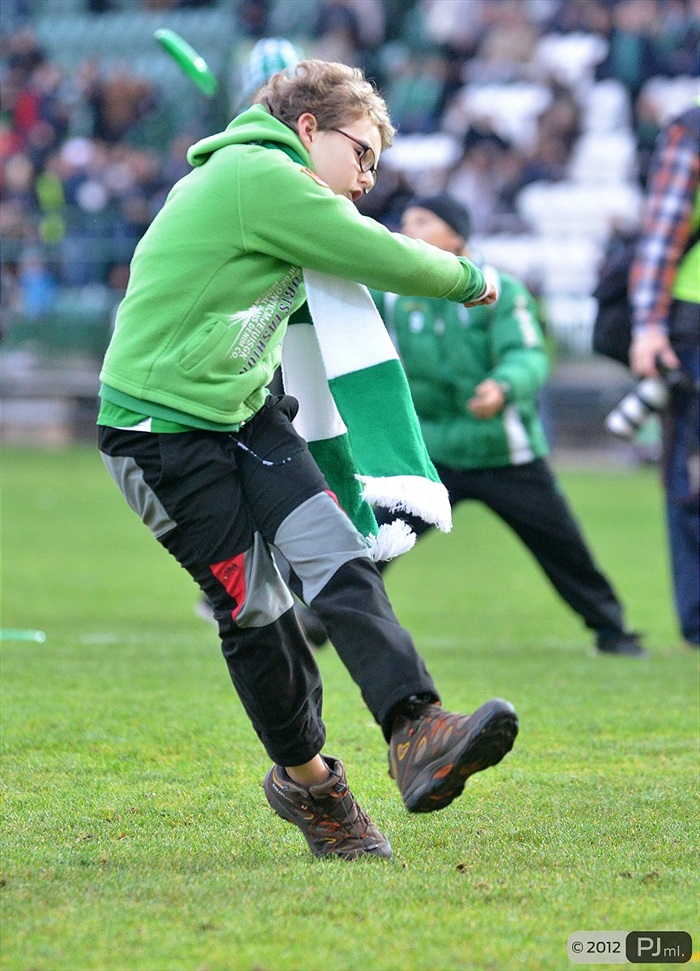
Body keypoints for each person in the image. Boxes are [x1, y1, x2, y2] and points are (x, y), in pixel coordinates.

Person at [96, 60, 518, 862]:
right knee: (256, 610)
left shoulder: (276, 186)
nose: (366, 178)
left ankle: (417, 729)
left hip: (245, 414)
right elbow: (378, 253)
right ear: (309, 130)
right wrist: (472, 279)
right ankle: (313, 787)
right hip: (158, 434)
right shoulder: (259, 175)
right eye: (361, 154)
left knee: (339, 558)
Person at [299, 192, 647, 657]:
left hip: (505, 451)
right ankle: (321, 617)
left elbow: (529, 354)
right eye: (405, 221)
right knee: (373, 535)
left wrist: (502, 386)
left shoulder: (502, 288)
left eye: (422, 221)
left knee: (562, 547)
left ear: (457, 236)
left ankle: (613, 631)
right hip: (433, 450)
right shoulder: (395, 297)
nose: (408, 229)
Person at [629, 100, 700, 648]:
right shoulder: (693, 128)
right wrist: (650, 326)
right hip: (694, 321)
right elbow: (663, 232)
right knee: (692, 474)